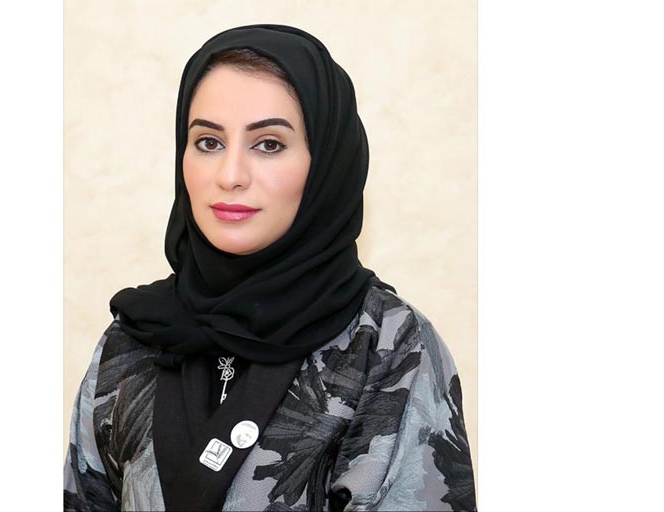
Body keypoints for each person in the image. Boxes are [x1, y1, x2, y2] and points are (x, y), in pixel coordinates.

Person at [64, 24, 476, 512]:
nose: (231, 175)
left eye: (269, 144)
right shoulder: (133, 340)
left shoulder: (388, 348)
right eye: (208, 142)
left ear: (326, 164)